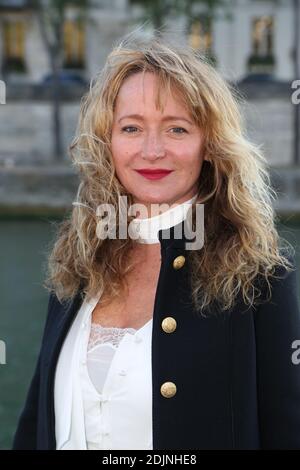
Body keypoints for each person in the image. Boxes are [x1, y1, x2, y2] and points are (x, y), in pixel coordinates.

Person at [13, 33, 300, 450]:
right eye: (131, 128)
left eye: (177, 129)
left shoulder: (262, 275)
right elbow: (34, 423)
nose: (151, 150)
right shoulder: (78, 258)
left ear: (209, 146)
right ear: (107, 142)